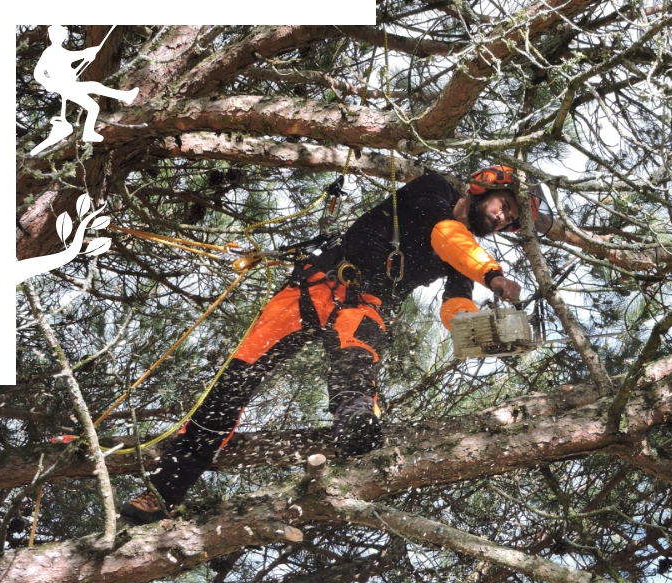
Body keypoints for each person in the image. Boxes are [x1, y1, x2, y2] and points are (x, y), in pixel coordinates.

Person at [120, 165, 531, 524]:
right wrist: (493, 275)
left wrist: (472, 326)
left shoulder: (466, 256)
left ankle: (357, 447)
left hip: (364, 306)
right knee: (234, 382)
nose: (501, 218)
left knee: (355, 379)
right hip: (315, 284)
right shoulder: (434, 190)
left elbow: (455, 299)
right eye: (504, 205)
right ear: (484, 185)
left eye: (509, 219)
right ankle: (163, 492)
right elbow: (445, 234)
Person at [32, 25, 138, 153]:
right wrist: (50, 84)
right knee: (94, 86)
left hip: (68, 85)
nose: (59, 37)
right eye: (56, 35)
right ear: (51, 36)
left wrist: (88, 54)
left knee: (93, 107)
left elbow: (70, 57)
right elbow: (38, 73)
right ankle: (125, 97)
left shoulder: (61, 51)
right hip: (64, 86)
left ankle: (88, 132)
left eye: (61, 35)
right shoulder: (50, 52)